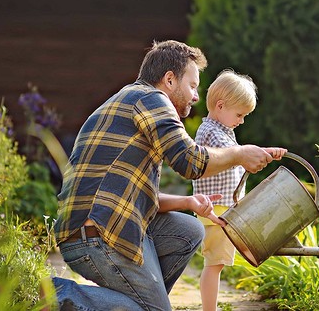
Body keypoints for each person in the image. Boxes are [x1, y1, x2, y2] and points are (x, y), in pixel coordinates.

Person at [52, 40, 285, 311]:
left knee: (189, 229)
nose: (196, 96)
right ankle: (55, 293)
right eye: (193, 86)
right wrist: (239, 154)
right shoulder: (152, 99)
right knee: (154, 310)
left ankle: (136, 300)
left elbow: (134, 195)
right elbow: (190, 161)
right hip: (94, 234)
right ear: (170, 79)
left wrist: (187, 203)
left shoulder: (130, 101)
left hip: (109, 223)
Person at [191, 70, 285, 311]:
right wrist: (258, 153)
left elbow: (241, 153)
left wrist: (265, 152)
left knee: (217, 262)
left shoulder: (222, 132)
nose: (242, 121)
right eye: (240, 114)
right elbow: (238, 156)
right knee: (215, 263)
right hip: (217, 210)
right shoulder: (211, 132)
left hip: (223, 208)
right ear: (220, 106)